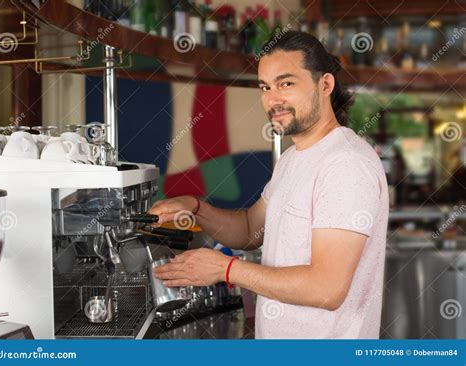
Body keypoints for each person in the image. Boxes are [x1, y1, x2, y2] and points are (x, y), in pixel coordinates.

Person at [148, 31, 389, 339]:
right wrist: (195, 207)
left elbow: (327, 289)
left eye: (286, 83)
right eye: (265, 87)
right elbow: (250, 229)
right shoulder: (292, 159)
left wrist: (226, 269)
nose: (273, 99)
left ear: (325, 84)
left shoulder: (346, 164)